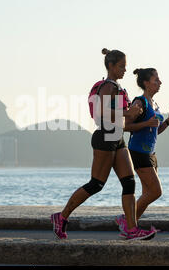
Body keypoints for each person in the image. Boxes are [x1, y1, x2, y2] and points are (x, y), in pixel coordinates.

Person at [51, 49, 157, 240]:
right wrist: (128, 113)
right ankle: (61, 216)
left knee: (129, 182)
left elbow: (121, 112)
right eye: (121, 66)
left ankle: (131, 229)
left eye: (125, 66)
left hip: (117, 138)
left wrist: (134, 110)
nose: (125, 70)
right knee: (96, 184)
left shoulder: (117, 87)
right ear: (110, 66)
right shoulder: (109, 86)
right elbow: (101, 113)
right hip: (106, 137)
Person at [115, 68, 169, 234]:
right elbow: (125, 126)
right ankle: (127, 220)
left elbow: (155, 131)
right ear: (146, 83)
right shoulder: (139, 102)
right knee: (155, 191)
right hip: (137, 152)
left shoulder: (154, 104)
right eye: (156, 79)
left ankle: (130, 226)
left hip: (150, 154)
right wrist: (145, 124)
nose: (160, 82)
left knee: (147, 193)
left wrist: (168, 122)